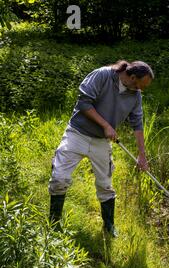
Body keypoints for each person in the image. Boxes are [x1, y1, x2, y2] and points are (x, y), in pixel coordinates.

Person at [48, 60, 154, 237]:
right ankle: (54, 224)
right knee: (59, 178)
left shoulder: (135, 95)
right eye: (139, 86)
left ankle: (109, 226)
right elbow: (83, 103)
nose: (140, 90)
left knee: (105, 186)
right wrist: (106, 125)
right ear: (132, 77)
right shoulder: (102, 75)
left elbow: (137, 123)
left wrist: (142, 155)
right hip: (77, 134)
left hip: (100, 142)